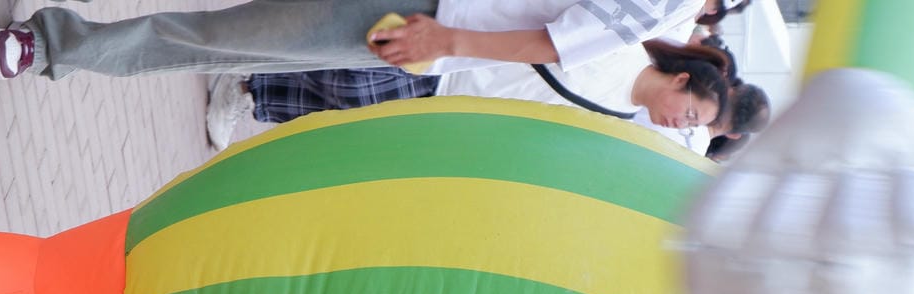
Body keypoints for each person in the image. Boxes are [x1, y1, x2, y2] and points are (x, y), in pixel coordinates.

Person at [0, 0, 701, 83]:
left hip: (417, 12)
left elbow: (554, 44)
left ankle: (55, 43)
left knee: (229, 39)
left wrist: (442, 35)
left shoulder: (665, 5)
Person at [223, 39, 732, 150]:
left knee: (340, 108)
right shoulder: (616, 54)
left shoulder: (623, 112)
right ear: (679, 80)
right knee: (344, 78)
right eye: (687, 112)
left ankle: (250, 93)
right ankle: (246, 67)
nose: (679, 123)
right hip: (452, 66)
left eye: (690, 124)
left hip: (453, 104)